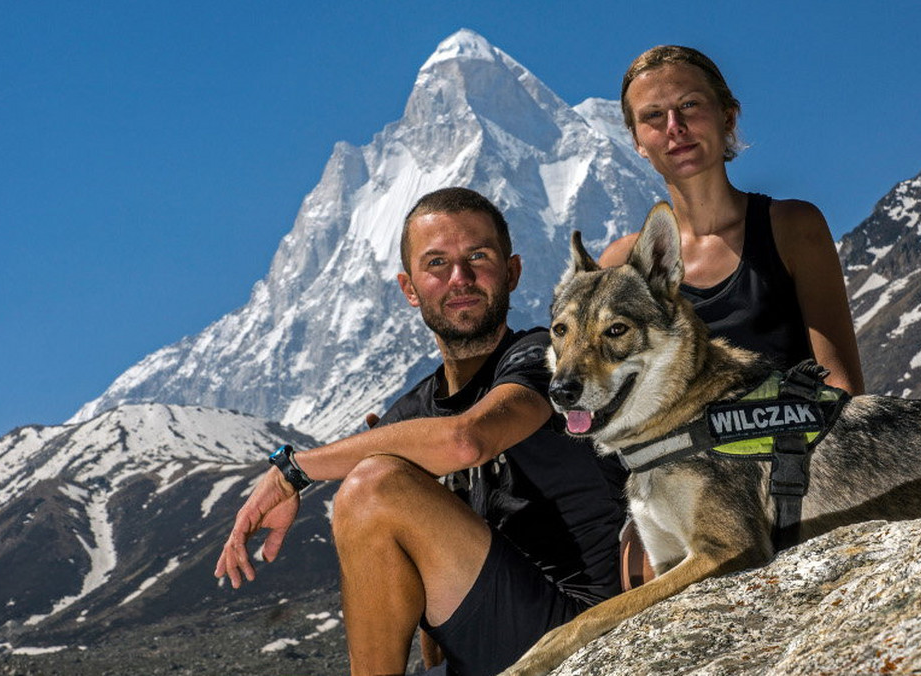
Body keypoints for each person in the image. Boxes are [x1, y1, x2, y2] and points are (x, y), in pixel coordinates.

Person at [214, 187, 627, 676]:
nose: (461, 278)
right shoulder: (413, 411)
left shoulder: (546, 357)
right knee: (369, 483)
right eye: (437, 264)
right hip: (485, 643)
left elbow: (467, 440)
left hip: (578, 628)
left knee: (373, 484)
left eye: (478, 256)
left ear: (512, 273)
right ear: (410, 289)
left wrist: (293, 471)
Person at [602, 45, 865, 394]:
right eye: (653, 115)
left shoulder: (793, 229)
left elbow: (841, 389)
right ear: (636, 140)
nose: (674, 127)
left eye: (689, 105)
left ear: (728, 117)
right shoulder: (619, 265)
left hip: (797, 447)